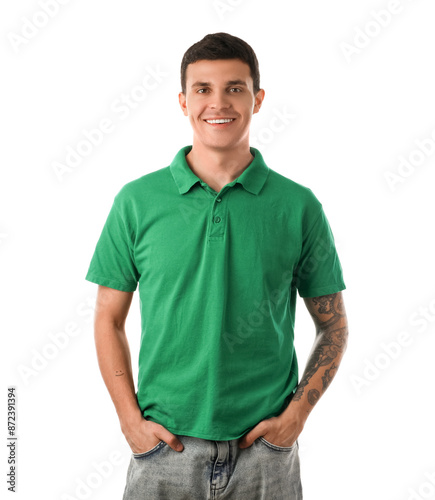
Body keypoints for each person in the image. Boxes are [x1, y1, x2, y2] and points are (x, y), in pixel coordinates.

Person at [85, 32, 349, 500]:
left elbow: (333, 326)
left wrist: (295, 418)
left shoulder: (298, 206)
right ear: (183, 101)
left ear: (258, 98)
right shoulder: (137, 202)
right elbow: (108, 318)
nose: (218, 102)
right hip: (164, 449)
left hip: (265, 455)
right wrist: (130, 421)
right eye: (203, 89)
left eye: (235, 87)